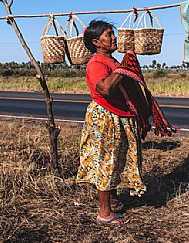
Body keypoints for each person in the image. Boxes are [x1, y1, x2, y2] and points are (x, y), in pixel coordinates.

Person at [76, 20, 146, 225]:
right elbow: (105, 88)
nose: (114, 37)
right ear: (97, 42)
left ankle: (113, 202)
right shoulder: (97, 63)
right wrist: (123, 69)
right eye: (108, 35)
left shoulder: (112, 61)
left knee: (116, 159)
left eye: (113, 34)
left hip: (118, 116)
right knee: (107, 162)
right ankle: (104, 213)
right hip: (106, 118)